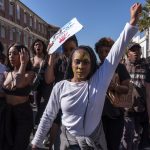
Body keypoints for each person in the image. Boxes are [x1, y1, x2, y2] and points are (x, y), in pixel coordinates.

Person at [32, 3, 141, 149]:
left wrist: (132, 21)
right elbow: (48, 116)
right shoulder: (60, 87)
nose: (81, 66)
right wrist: (35, 143)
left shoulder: (99, 81)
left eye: (85, 62)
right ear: (71, 63)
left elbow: (116, 51)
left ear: (92, 65)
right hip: (66, 143)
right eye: (77, 62)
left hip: (94, 143)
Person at [95, 37, 130, 150]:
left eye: (107, 51)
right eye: (101, 52)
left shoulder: (120, 67)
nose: (104, 54)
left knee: (113, 146)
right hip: (97, 118)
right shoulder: (95, 68)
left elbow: (126, 89)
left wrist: (115, 86)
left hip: (116, 116)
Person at [45, 35, 78, 149]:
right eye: (65, 49)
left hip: (75, 107)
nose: (69, 52)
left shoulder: (82, 63)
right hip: (59, 105)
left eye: (72, 48)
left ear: (77, 47)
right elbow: (49, 79)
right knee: (54, 141)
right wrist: (51, 56)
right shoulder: (59, 61)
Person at [2, 43, 34, 150]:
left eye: (15, 53)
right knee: (6, 144)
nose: (11, 56)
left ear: (23, 55)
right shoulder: (7, 73)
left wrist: (23, 64)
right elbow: (5, 93)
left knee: (19, 145)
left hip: (23, 115)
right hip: (7, 113)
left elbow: (18, 84)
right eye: (9, 53)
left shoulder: (29, 73)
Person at [120, 43, 150, 150]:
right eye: (133, 50)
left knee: (136, 137)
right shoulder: (123, 67)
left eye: (138, 50)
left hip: (140, 108)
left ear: (141, 52)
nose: (136, 52)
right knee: (127, 136)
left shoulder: (146, 67)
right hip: (126, 109)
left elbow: (148, 92)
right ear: (128, 54)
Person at [31, 39, 54, 128]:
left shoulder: (47, 57)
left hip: (46, 85)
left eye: (40, 45)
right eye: (36, 45)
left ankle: (39, 125)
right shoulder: (31, 59)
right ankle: (39, 125)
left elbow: (51, 68)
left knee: (44, 105)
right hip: (36, 87)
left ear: (43, 47)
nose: (38, 46)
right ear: (33, 47)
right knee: (37, 106)